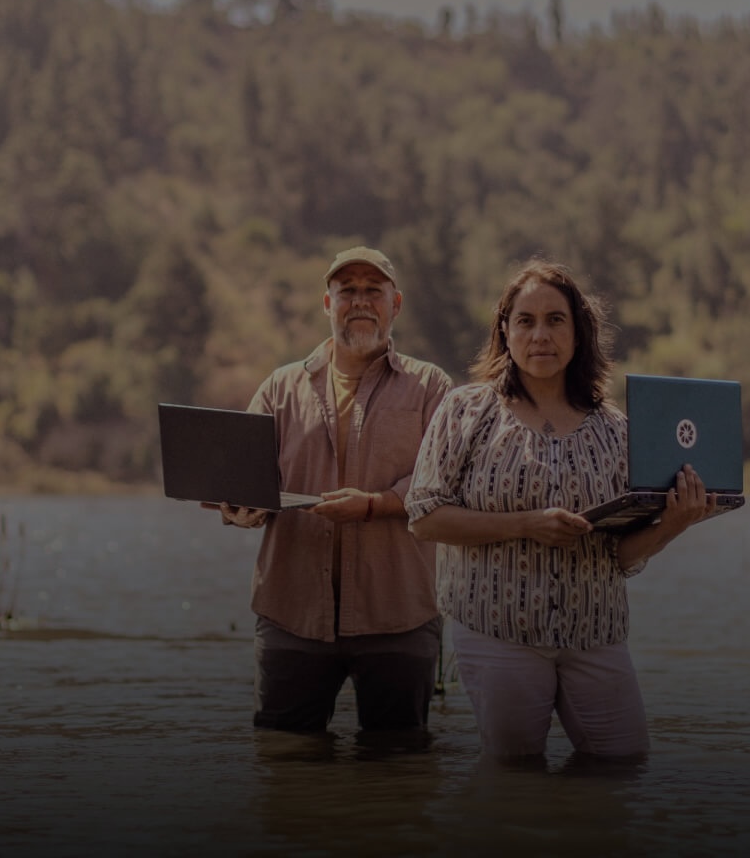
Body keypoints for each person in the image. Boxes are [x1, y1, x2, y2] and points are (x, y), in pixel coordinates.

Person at [404, 258, 714, 761]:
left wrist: (673, 524)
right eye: (525, 321)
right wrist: (527, 525)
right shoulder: (466, 411)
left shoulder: (617, 430)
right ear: (504, 331)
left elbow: (619, 555)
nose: (540, 335)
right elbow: (423, 518)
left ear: (578, 333)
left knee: (623, 763)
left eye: (555, 320)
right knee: (515, 779)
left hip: (596, 633)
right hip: (497, 627)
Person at [211, 246, 453, 740]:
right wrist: (239, 508)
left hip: (399, 616)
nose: (360, 301)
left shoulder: (430, 387)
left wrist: (373, 505)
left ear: (396, 304)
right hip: (290, 615)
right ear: (328, 303)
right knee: (284, 767)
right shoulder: (280, 388)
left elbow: (443, 481)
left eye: (373, 291)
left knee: (397, 773)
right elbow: (245, 482)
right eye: (348, 291)